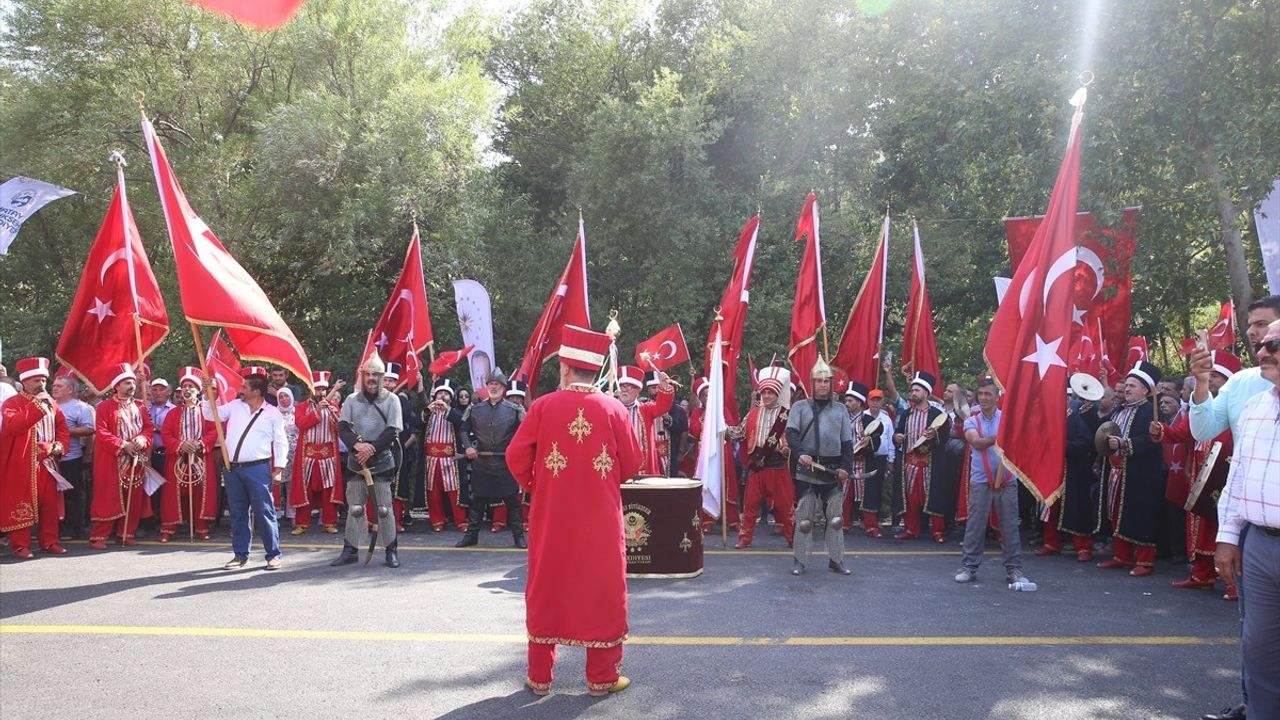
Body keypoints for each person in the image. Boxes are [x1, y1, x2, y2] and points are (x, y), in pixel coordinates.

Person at [506, 324, 642, 697]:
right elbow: (632, 462)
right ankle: (602, 678)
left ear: (565, 369)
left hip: (552, 517)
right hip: (600, 519)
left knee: (547, 585)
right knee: (602, 588)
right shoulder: (614, 409)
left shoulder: (543, 406)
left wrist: (541, 486)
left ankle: (540, 677)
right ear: (594, 369)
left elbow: (515, 455)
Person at [1213, 319, 1280, 720]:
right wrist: (1228, 536)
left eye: (1274, 344)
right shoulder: (1255, 406)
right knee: (1258, 649)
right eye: (1263, 344)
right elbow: (1238, 475)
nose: (1262, 352)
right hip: (1257, 546)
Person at [1153, 351, 1238, 595]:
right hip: (1200, 475)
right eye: (1207, 375)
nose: (1209, 380)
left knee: (1224, 528)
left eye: (1215, 376)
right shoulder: (1199, 407)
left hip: (1225, 475)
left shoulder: (1236, 407)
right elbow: (1182, 432)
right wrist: (1162, 430)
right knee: (1200, 525)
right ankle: (1202, 574)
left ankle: (1234, 583)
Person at [202, 365, 288, 570]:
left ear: (256, 391)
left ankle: (273, 554)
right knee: (238, 513)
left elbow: (280, 441)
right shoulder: (234, 406)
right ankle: (240, 555)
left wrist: (279, 467)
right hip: (233, 469)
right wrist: (207, 395)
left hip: (258, 468)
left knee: (265, 511)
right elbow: (210, 415)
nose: (240, 389)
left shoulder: (272, 413)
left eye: (244, 386)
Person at [954, 378, 1030, 586]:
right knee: (975, 526)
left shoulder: (1007, 419)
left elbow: (1021, 442)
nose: (984, 398)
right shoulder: (972, 420)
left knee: (1010, 528)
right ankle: (969, 567)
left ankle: (1014, 570)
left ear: (997, 397)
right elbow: (977, 443)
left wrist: (1009, 434)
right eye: (981, 394)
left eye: (988, 394)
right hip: (981, 482)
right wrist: (1001, 437)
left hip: (1007, 481)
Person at [331, 352, 403, 568]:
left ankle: (391, 550)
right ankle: (350, 550)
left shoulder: (392, 400)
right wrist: (357, 446)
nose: (371, 378)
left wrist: (370, 448)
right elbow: (342, 427)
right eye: (368, 374)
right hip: (357, 461)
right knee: (355, 508)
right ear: (362, 376)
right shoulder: (352, 400)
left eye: (376, 375)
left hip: (380, 459)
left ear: (382, 377)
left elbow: (392, 431)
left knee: (384, 509)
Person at [785, 357, 854, 576]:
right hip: (807, 467)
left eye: (826, 381)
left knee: (835, 519)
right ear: (812, 383)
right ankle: (800, 560)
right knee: (805, 518)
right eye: (818, 381)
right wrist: (800, 453)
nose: (823, 385)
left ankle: (836, 559)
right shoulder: (799, 407)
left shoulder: (841, 409)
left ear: (831, 383)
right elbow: (791, 433)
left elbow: (847, 442)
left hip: (832, 468)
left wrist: (846, 467)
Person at [1097, 361, 1165, 576]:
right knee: (1116, 513)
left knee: (1140, 515)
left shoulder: (1150, 411)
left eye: (1132, 386)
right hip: (1116, 472)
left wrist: (1125, 444)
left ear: (1145, 390)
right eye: (1126, 385)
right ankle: (1121, 556)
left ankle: (1145, 562)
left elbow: (1153, 439)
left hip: (1140, 473)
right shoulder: (1119, 410)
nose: (1127, 389)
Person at [0, 357, 70, 558]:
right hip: (22, 463)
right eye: (36, 381)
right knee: (22, 503)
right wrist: (37, 406)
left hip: (48, 464)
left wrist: (59, 446)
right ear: (25, 382)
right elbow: (15, 426)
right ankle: (20, 545)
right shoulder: (12, 403)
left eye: (43, 381)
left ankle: (50, 541)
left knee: (49, 504)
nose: (41, 385)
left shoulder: (52, 404)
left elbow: (62, 428)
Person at [456, 369, 526, 548]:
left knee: (512, 501)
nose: (493, 387)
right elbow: (463, 429)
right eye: (491, 384)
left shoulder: (514, 410)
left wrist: (514, 448)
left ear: (503, 388)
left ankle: (518, 536)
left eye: (497, 384)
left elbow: (523, 433)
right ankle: (472, 536)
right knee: (477, 501)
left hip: (504, 463)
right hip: (482, 462)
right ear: (486, 387)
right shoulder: (475, 408)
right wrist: (469, 447)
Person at [90, 363, 154, 549]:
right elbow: (101, 432)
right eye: (127, 383)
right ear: (117, 386)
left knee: (133, 497)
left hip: (135, 458)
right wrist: (123, 445)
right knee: (108, 497)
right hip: (112, 460)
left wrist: (143, 439)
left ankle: (126, 533)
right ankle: (98, 536)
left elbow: (148, 428)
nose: (131, 386)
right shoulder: (104, 407)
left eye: (132, 382)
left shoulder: (140, 407)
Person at [729, 366, 794, 549]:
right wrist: (723, 430)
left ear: (777, 394)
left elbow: (793, 439)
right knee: (749, 507)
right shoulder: (753, 413)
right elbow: (740, 434)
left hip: (778, 466)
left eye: (770, 393)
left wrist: (787, 449)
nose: (766, 396)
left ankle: (792, 537)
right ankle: (745, 537)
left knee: (785, 506)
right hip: (757, 466)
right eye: (764, 392)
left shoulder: (786, 415)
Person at [1040, 390, 1101, 561]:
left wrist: (1062, 447)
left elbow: (1087, 442)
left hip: (1074, 471)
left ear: (1067, 399)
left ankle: (1083, 547)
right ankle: (1050, 543)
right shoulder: (1049, 419)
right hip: (1052, 470)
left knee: (1077, 508)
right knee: (1051, 507)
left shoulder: (1076, 418)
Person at [159, 368, 218, 542]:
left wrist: (200, 444)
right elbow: (166, 434)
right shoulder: (173, 413)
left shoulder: (207, 412)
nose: (187, 389)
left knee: (201, 491)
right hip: (178, 457)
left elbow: (214, 431)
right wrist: (181, 445)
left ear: (198, 390)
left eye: (191, 386)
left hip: (200, 457)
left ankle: (201, 527)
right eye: (184, 386)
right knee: (173, 493)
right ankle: (168, 528)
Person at [892, 371, 949, 542]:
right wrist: (897, 438)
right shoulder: (906, 414)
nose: (913, 393)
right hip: (909, 463)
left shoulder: (937, 414)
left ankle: (938, 531)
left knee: (932, 497)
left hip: (929, 463)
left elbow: (945, 436)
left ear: (926, 392)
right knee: (910, 498)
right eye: (912, 390)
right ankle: (911, 529)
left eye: (917, 390)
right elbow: (897, 434)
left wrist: (935, 437)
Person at [289, 372, 345, 535]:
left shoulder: (333, 407)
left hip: (328, 455)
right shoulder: (301, 407)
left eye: (323, 389)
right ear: (311, 389)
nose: (321, 392)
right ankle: (302, 523)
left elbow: (339, 429)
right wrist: (318, 411)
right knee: (305, 488)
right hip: (308, 455)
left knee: (329, 489)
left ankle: (329, 522)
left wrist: (334, 415)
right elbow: (301, 424)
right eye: (318, 389)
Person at [421, 377, 467, 532]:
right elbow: (417, 423)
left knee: (454, 490)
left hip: (450, 458)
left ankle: (460, 520)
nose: (442, 396)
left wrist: (447, 409)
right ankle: (437, 520)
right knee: (433, 491)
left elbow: (460, 421)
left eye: (445, 394)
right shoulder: (429, 412)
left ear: (451, 397)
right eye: (440, 393)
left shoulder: (455, 411)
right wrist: (428, 410)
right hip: (431, 458)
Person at [51, 374, 94, 540]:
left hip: (70, 458)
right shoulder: (47, 404)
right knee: (51, 495)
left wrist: (63, 432)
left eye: (59, 386)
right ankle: (54, 526)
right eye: (54, 385)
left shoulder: (80, 407)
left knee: (72, 494)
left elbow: (89, 429)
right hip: (48, 459)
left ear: (70, 389)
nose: (54, 388)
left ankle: (73, 527)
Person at [842, 382, 887, 537]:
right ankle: (843, 524)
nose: (847, 403)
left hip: (864, 463)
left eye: (850, 401)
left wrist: (870, 442)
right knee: (844, 493)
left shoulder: (869, 420)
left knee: (868, 494)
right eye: (846, 400)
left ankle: (871, 526)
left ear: (860, 403)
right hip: (845, 462)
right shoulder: (840, 419)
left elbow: (878, 440)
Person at [616, 366, 675, 477]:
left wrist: (664, 386)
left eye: (629, 387)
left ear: (638, 391)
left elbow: (662, 407)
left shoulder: (645, 409)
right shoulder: (612, 408)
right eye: (622, 386)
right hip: (619, 463)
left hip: (643, 465)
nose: (624, 389)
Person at [274, 386, 298, 515]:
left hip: (294, 453)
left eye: (286, 396)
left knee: (292, 484)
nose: (284, 399)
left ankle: (292, 515)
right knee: (276, 484)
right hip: (278, 453)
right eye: (281, 397)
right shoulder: (273, 413)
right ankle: (275, 515)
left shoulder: (297, 412)